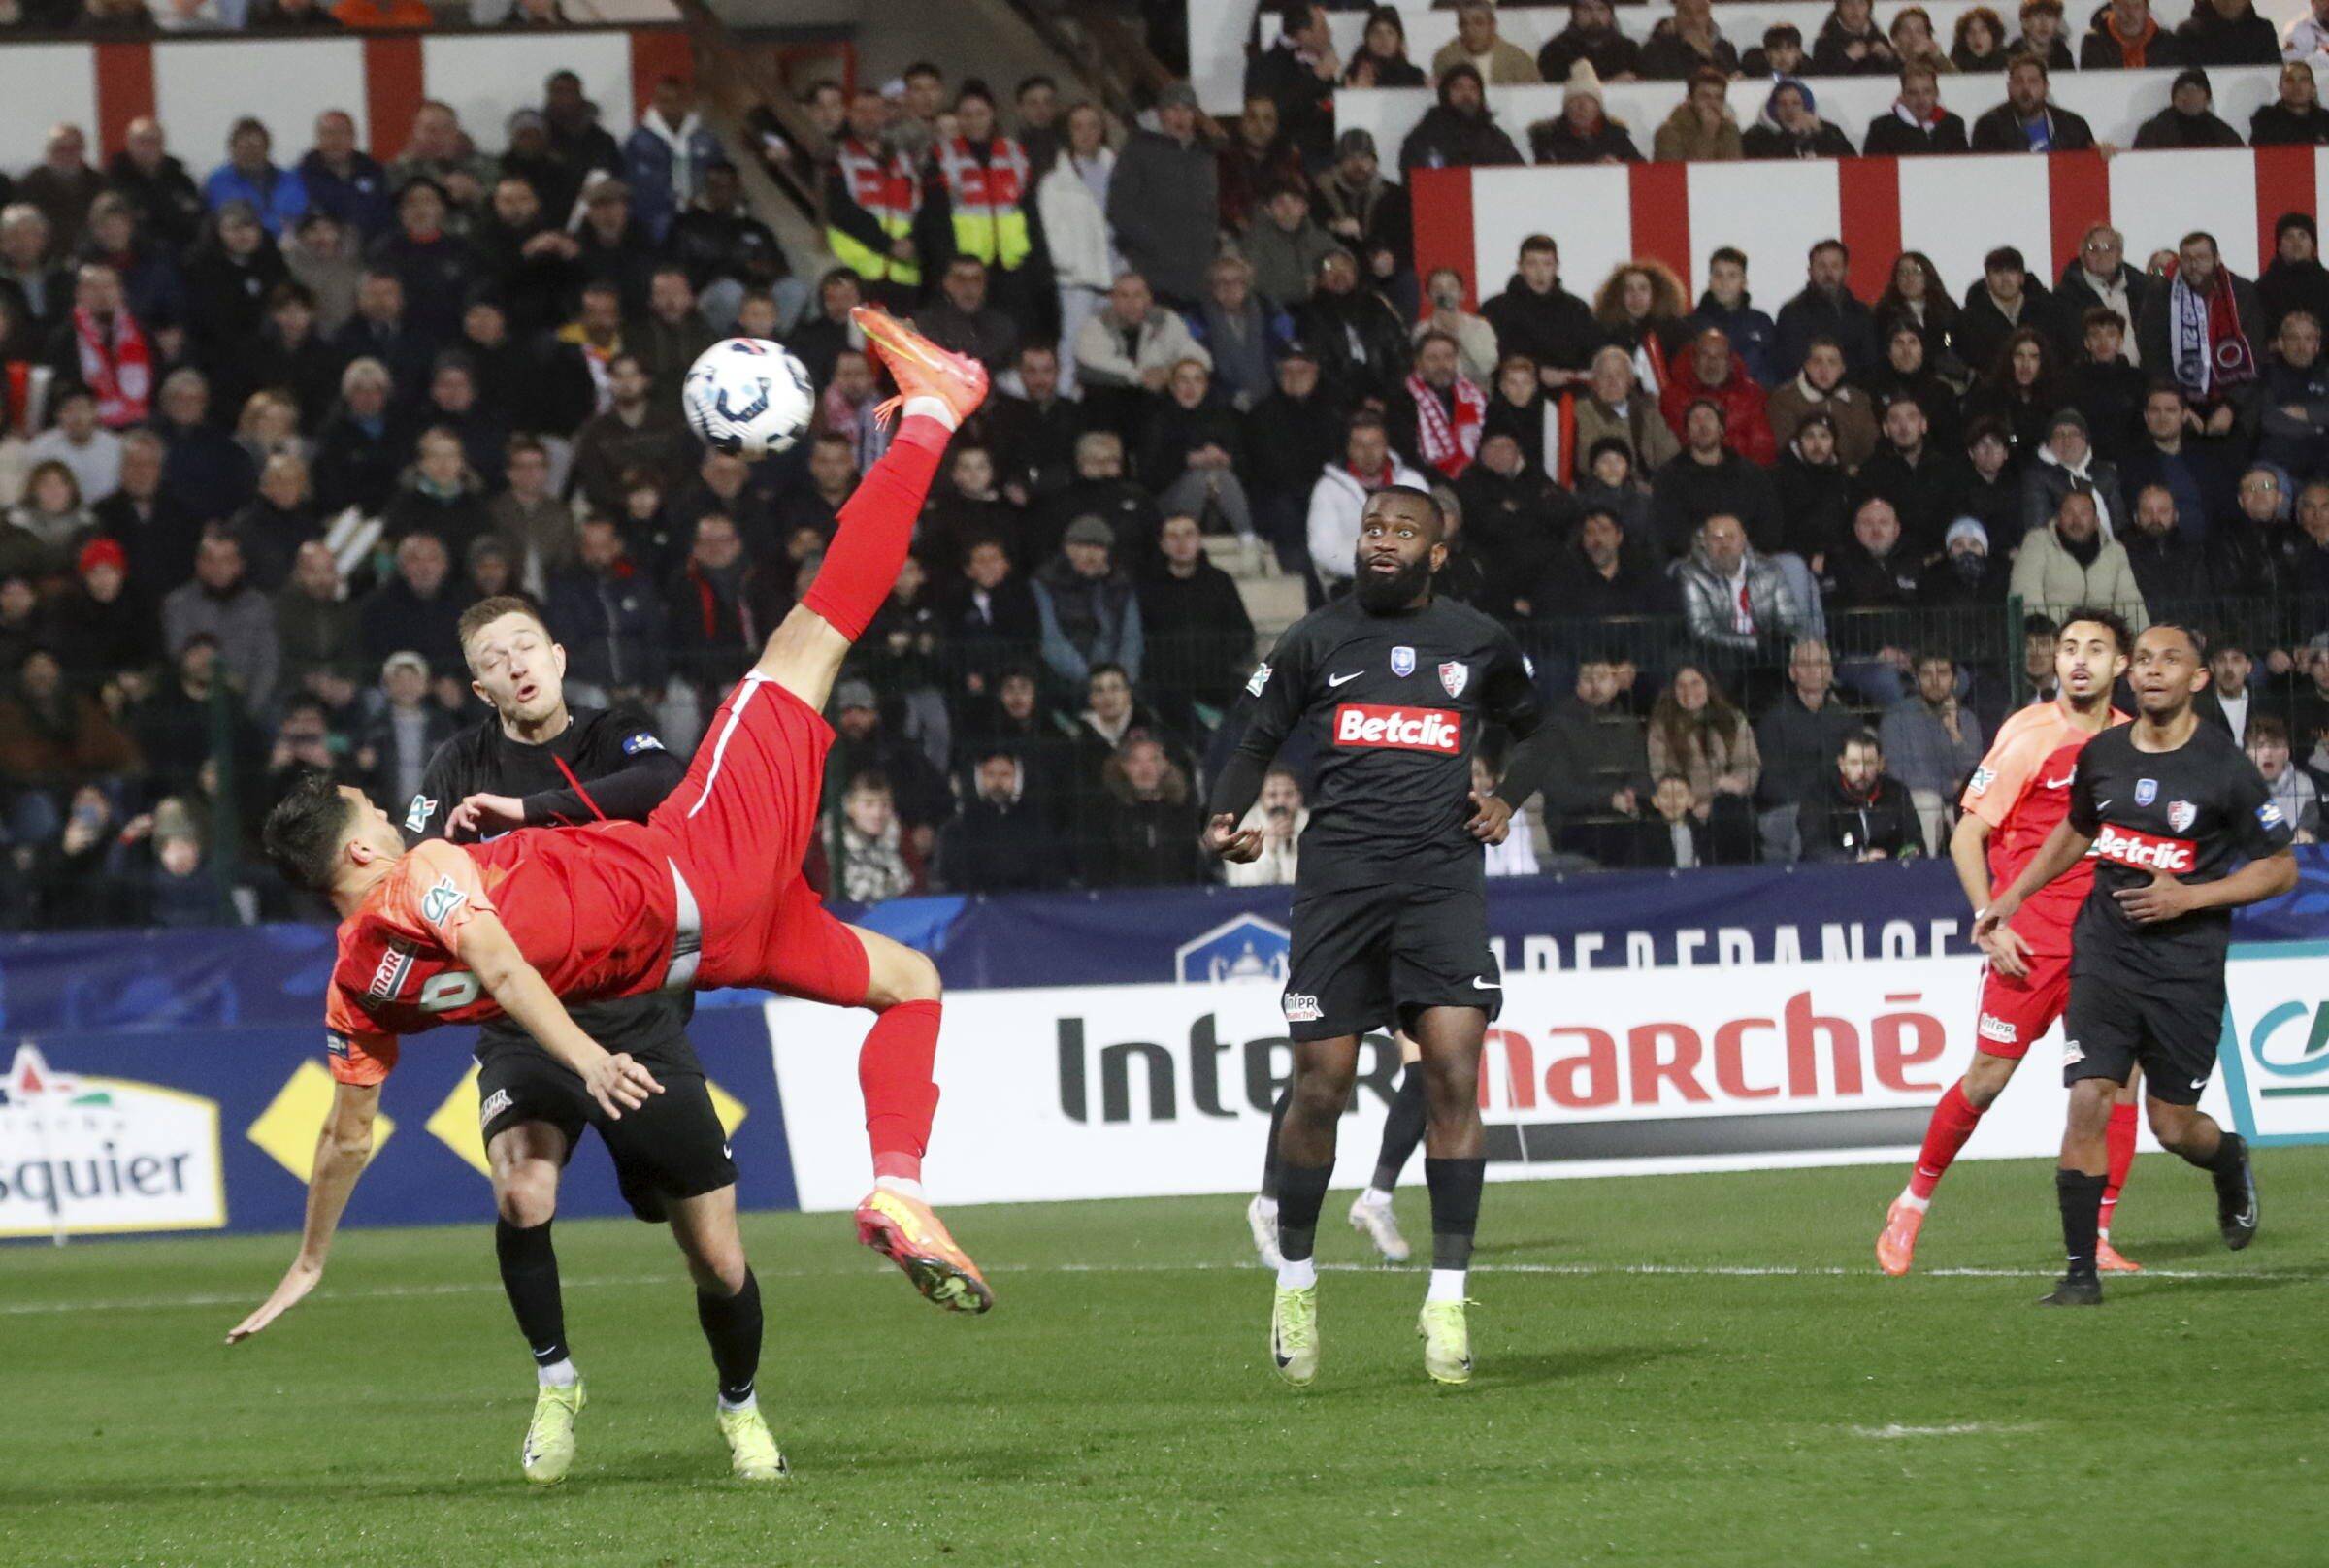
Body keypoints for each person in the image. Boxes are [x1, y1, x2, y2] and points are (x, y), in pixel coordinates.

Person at [227, 311, 997, 1462]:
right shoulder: (430, 871)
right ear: (353, 855)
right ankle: (934, 410)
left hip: (702, 952)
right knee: (811, 635)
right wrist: (585, 1059)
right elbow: (491, 956)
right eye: (372, 818)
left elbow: (345, 1132)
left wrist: (308, 1258)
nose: (392, 817)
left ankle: (901, 1185)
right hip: (699, 869)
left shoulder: (355, 993)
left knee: (908, 977)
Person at [1205, 482, 1553, 1388]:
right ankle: (1296, 1275)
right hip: (1338, 890)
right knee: (1321, 1084)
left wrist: (1504, 797)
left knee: (1452, 1079)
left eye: (1404, 530)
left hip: (1440, 888)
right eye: (1372, 528)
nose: (1384, 540)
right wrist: (1224, 815)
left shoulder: (1479, 641)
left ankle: (1446, 1299)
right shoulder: (1317, 637)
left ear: (1438, 552)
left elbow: (1541, 730)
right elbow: (1253, 736)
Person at [1976, 623, 2296, 1304]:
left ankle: (2228, 1159)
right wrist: (2014, 896)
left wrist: (2192, 898)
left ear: (2198, 679)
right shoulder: (2103, 755)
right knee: (2090, 1096)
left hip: (2186, 965)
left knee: (2172, 1125)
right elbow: (2077, 830)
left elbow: (2280, 868)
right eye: (2143, 660)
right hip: (2106, 951)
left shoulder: (2223, 768)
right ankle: (2079, 1273)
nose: (2152, 671)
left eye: (2169, 660)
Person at [1878, 614, 2136, 1269]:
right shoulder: (2028, 734)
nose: (2078, 660)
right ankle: (1911, 1204)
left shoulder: (2131, 741)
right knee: (1987, 1081)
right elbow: (1968, 836)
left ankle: (2099, 1236)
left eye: (2095, 650)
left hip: (2101, 942)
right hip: (2031, 941)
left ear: (2121, 666)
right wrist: (1991, 920)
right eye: (2069, 648)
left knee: (2116, 1083)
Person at [2139, 231, 2267, 439]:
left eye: (2201, 257)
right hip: (2179, 406)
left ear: (2217, 259)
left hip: (2236, 404)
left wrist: (2230, 407)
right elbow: (2153, 355)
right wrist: (2181, 408)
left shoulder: (2241, 293)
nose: (2193, 264)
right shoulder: (2162, 295)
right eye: (2187, 258)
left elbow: (2256, 355)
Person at [1108, 83, 1218, 310]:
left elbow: (1210, 210)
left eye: (1187, 110)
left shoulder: (1204, 157)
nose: (1180, 117)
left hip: (1197, 276)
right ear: (1160, 113)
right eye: (1173, 109)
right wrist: (1154, 245)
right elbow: (1120, 208)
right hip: (1153, 276)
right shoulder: (1137, 150)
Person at [1798, 731, 1921, 863]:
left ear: (1880, 764)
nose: (1862, 771)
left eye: (1869, 763)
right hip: (1835, 876)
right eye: (1854, 762)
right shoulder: (1819, 795)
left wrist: (1908, 855)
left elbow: (1913, 840)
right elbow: (1815, 847)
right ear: (1841, 764)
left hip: (1888, 873)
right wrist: (1855, 860)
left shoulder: (1897, 792)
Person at [1397, 64, 1525, 172]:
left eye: (1473, 88)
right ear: (1445, 93)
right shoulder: (1425, 136)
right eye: (1458, 87)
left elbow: (1517, 175)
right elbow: (1414, 180)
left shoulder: (1495, 138)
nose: (1466, 94)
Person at [1969, 55, 2098, 151]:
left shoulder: (2073, 126)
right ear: (2009, 87)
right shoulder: (1988, 127)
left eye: (2033, 81)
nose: (2026, 89)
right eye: (2019, 81)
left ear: (2045, 87)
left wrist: (2102, 154)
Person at [1862, 64, 1970, 155]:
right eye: (1913, 93)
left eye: (1927, 92)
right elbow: (1872, 172)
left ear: (1936, 93)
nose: (1921, 99)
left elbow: (1964, 167)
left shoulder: (1953, 124)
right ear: (1903, 96)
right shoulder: (1881, 129)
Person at [1742, 80, 1858, 160]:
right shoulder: (1755, 136)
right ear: (1773, 109)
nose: (1789, 109)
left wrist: (1821, 134)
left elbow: (1851, 162)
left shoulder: (1829, 131)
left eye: (1796, 103)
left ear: (1806, 107)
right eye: (1782, 104)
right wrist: (1790, 135)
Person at [1431, 0, 1542, 83]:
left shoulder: (1518, 60)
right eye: (1464, 24)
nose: (1470, 30)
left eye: (1478, 23)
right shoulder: (1446, 59)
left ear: (1492, 25)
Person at [2133, 67, 2247, 147]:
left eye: (2197, 89)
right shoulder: (2153, 130)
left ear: (2207, 99)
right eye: (2183, 89)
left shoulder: (2222, 133)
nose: (2190, 95)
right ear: (2174, 96)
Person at [1655, 68, 1745, 163]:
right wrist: (1708, 135)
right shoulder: (1668, 133)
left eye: (1719, 98)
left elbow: (1734, 170)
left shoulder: (1730, 129)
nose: (1712, 103)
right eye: (1705, 96)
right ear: (1690, 99)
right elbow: (1673, 174)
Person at [2251, 62, 2329, 145]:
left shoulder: (2325, 120)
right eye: (2290, 80)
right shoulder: (2266, 120)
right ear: (2280, 88)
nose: (2296, 86)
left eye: (2303, 80)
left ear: (2313, 88)